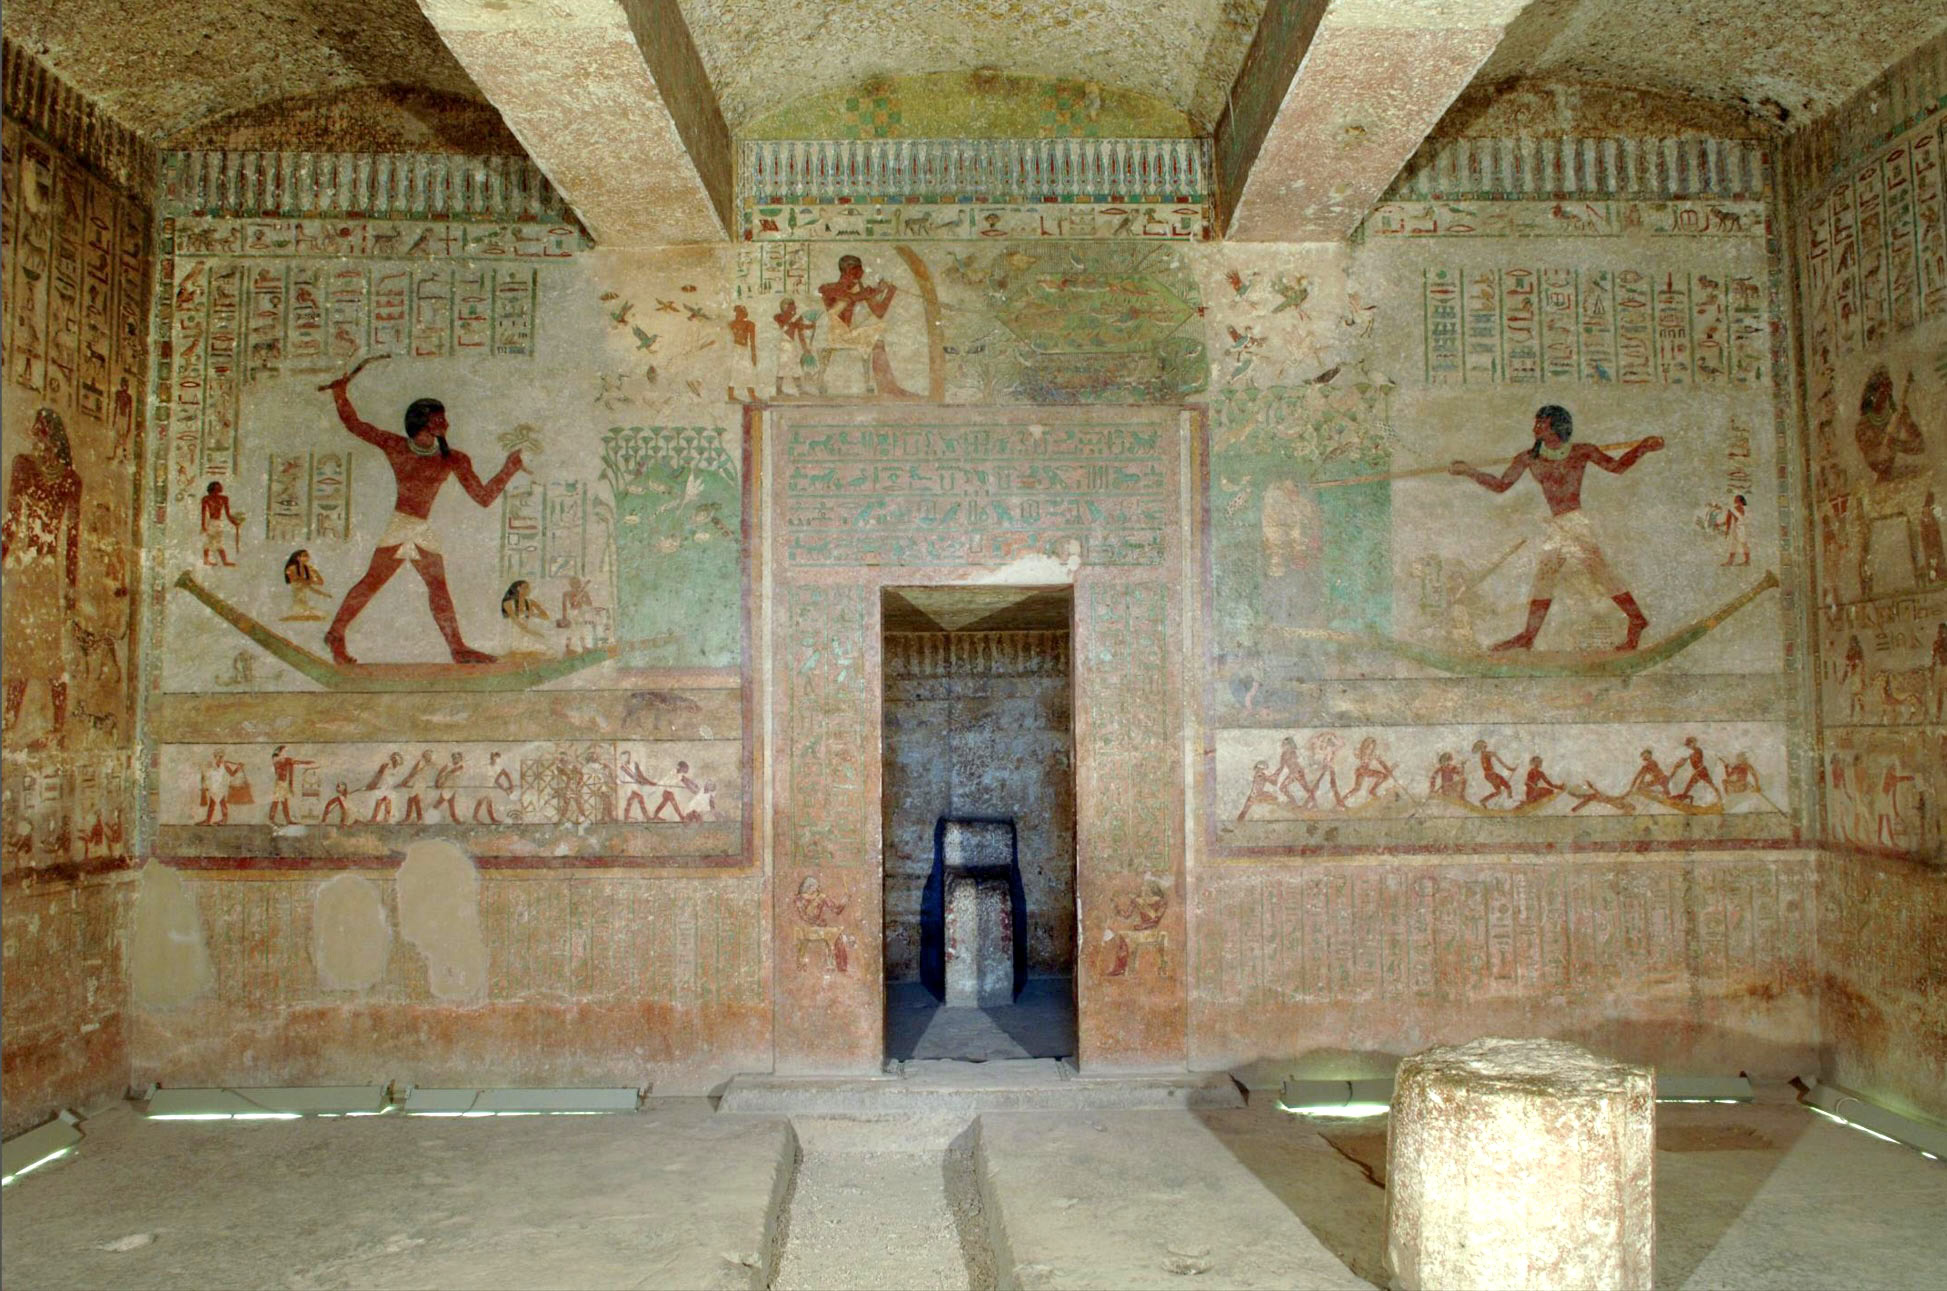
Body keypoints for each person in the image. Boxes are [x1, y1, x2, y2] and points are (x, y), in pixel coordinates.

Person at [320, 361, 525, 665]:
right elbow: (357, 425)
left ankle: (457, 648)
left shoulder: (453, 458)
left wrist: (509, 469)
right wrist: (340, 394)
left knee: (435, 587)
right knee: (373, 583)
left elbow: (483, 497)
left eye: (444, 418)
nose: (446, 423)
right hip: (403, 525)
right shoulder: (397, 446)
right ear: (425, 423)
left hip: (417, 529)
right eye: (439, 418)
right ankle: (336, 633)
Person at [1449, 405, 1662, 651]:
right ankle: (1529, 636)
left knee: (1598, 574)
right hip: (1558, 525)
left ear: (1556, 427)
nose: (1535, 428)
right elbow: (1500, 485)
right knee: (1549, 577)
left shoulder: (1583, 451)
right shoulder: (1528, 458)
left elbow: (1616, 467)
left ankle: (1636, 619)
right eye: (1536, 423)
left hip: (1574, 522)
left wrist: (1643, 448)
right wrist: (1469, 472)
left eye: (1542, 423)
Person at [2, 408, 81, 743]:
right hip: (27, 569)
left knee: (49, 653)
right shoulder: (23, 466)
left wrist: (71, 587)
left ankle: (58, 729)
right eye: (35, 436)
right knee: (20, 650)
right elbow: (10, 520)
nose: (36, 443)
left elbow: (73, 538)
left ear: (53, 439)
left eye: (41, 436)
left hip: (47, 575)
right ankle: (7, 726)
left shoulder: (70, 480)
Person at [816, 254, 914, 397]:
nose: (861, 274)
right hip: (831, 336)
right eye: (856, 270)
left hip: (847, 335)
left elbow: (879, 311)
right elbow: (847, 298)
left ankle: (888, 387)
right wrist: (871, 292)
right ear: (847, 270)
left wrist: (889, 292)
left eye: (860, 270)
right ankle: (887, 387)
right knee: (876, 339)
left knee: (879, 339)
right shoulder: (828, 288)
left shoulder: (858, 287)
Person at [200, 481, 243, 566]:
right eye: (217, 487)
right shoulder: (206, 498)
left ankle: (224, 561)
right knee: (208, 542)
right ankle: (207, 560)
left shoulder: (224, 498)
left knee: (217, 542)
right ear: (213, 488)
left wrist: (234, 522)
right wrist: (203, 525)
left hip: (218, 523)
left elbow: (228, 514)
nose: (220, 488)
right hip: (210, 522)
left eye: (219, 487)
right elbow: (203, 513)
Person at [282, 549, 328, 621]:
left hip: (305, 601)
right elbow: (302, 581)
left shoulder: (308, 568)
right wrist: (311, 581)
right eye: (304, 556)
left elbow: (320, 582)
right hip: (296, 602)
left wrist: (315, 572)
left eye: (308, 556)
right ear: (298, 557)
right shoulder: (291, 569)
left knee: (323, 615)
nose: (307, 557)